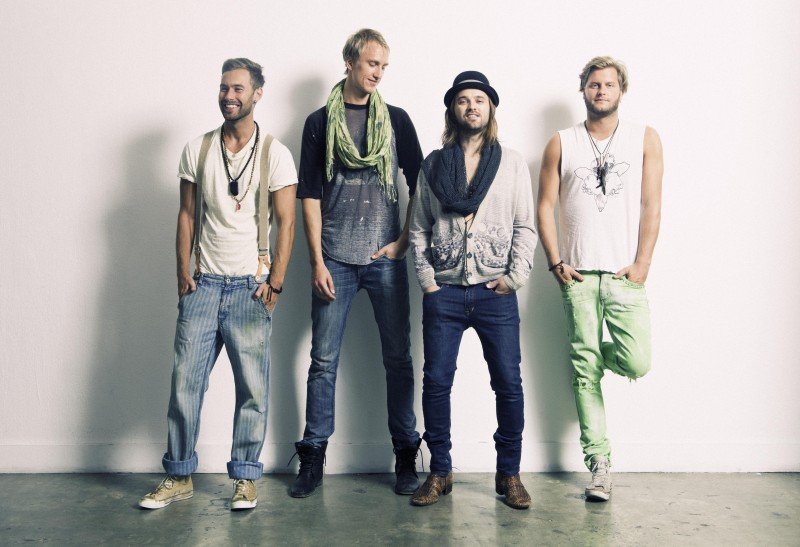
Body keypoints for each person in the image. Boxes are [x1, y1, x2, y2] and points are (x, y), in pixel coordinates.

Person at [139, 58, 297, 510]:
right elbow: (187, 214)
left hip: (251, 287)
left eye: (238, 88)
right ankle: (179, 476)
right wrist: (182, 271)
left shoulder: (275, 153)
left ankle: (245, 478)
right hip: (204, 285)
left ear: (257, 94)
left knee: (253, 391)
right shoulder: (198, 148)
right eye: (224, 87)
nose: (229, 95)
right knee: (184, 384)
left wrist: (276, 282)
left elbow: (286, 223)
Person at [291, 28, 423, 497]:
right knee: (322, 361)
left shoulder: (397, 120)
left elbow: (420, 182)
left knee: (398, 359)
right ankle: (313, 455)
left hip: (383, 257)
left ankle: (406, 452)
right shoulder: (319, 122)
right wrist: (317, 262)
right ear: (349, 62)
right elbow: (308, 194)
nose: (378, 73)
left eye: (384, 66)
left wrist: (404, 240)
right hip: (335, 260)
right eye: (371, 63)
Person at [536, 56, 663, 501]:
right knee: (586, 374)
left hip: (625, 275)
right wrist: (556, 263)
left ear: (620, 90)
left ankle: (587, 360)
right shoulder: (562, 142)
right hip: (578, 276)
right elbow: (544, 206)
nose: (601, 91)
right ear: (584, 90)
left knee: (637, 360)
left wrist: (643, 263)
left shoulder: (644, 138)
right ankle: (600, 465)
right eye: (594, 84)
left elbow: (651, 204)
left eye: (609, 84)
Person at [408, 71, 537, 509]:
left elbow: (525, 226)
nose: (472, 107)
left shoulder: (512, 163)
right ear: (453, 110)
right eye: (463, 100)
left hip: (494, 292)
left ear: (490, 108)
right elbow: (419, 228)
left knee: (509, 384)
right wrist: (428, 282)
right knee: (436, 383)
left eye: (479, 99)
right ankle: (440, 471)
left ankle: (509, 473)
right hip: (443, 292)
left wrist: (515, 277)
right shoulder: (433, 165)